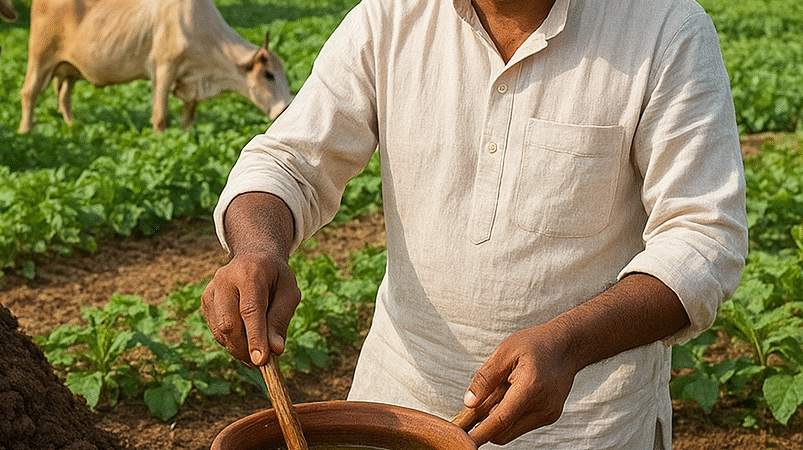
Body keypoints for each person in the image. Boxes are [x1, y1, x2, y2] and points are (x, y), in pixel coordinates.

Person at [200, 0, 748, 448]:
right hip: (398, 408)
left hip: (584, 424)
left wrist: (570, 344)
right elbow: (288, 161)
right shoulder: (390, 17)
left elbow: (702, 236)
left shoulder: (664, 29)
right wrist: (257, 249)